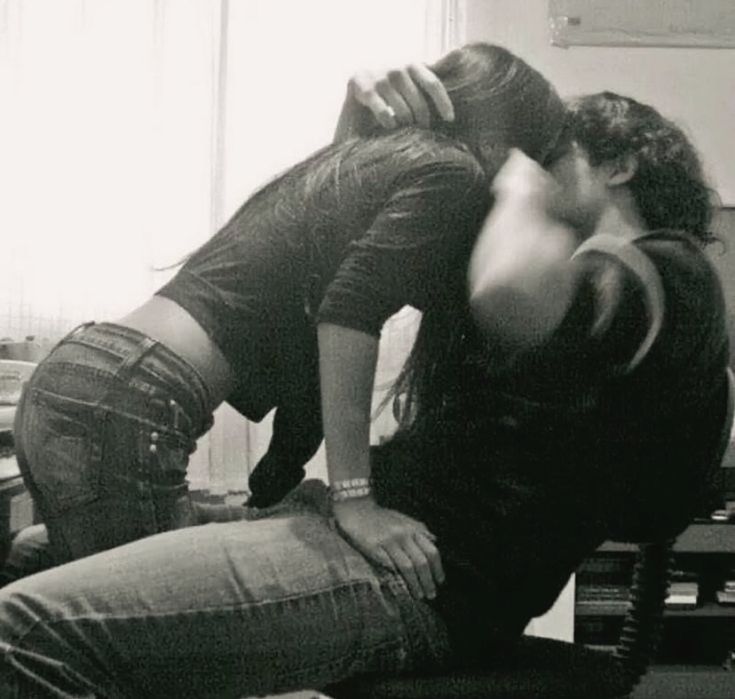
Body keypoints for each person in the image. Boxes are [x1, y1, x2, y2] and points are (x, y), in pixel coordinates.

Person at [0, 85, 728, 697]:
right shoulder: (582, 287)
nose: (535, 165)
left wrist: (516, 175)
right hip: (368, 542)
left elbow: (508, 290)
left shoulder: (667, 267)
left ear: (621, 164)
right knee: (36, 551)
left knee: (23, 633)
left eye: (553, 155)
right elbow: (335, 250)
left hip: (416, 580)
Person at [7, 42, 567, 592]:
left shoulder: (370, 164)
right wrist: (356, 501)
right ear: (508, 140)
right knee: (152, 630)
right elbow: (347, 313)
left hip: (86, 376)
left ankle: (45, 552)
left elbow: (312, 342)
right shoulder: (452, 174)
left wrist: (277, 481)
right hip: (127, 400)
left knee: (100, 601)